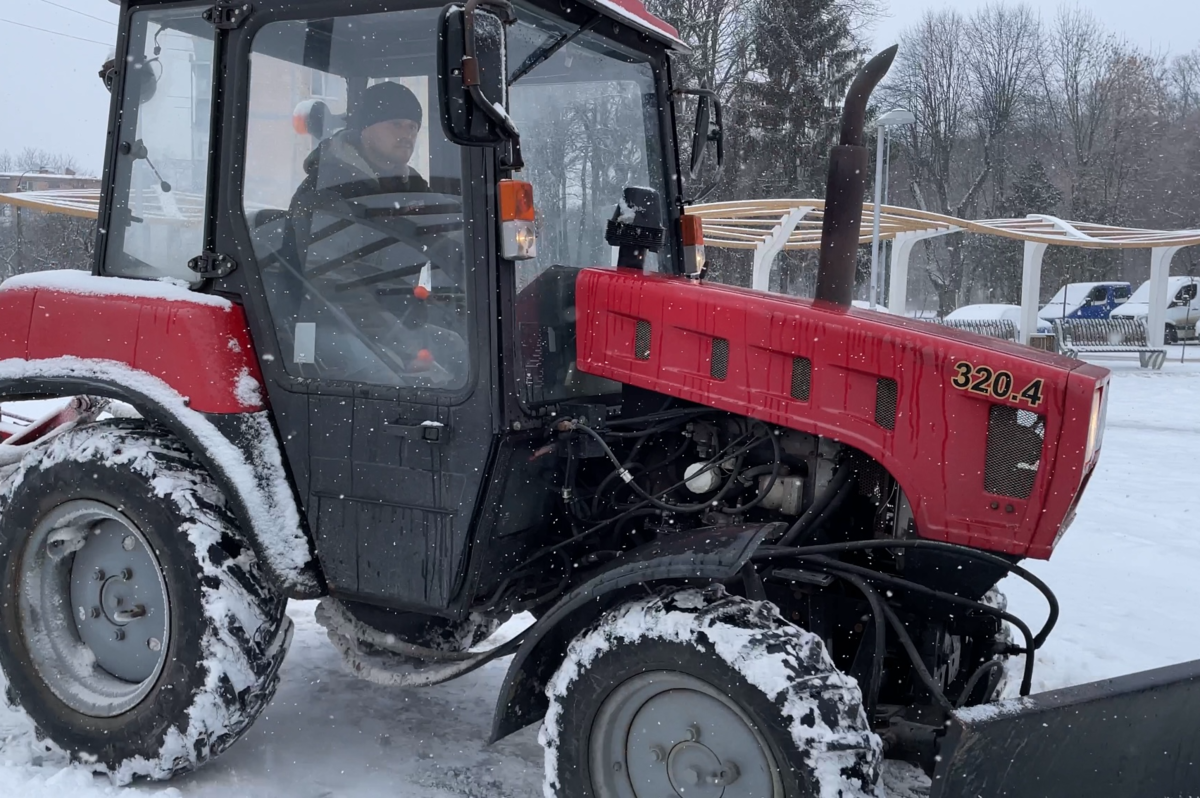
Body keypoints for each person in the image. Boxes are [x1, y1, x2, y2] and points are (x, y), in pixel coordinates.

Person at [286, 82, 468, 387]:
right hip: (322, 325)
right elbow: (331, 283)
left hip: (391, 316)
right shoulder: (328, 189)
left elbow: (441, 243)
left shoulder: (408, 190)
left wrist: (494, 234)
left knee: (463, 355)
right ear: (365, 128)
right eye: (396, 123)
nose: (407, 134)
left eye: (413, 126)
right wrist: (402, 343)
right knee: (395, 387)